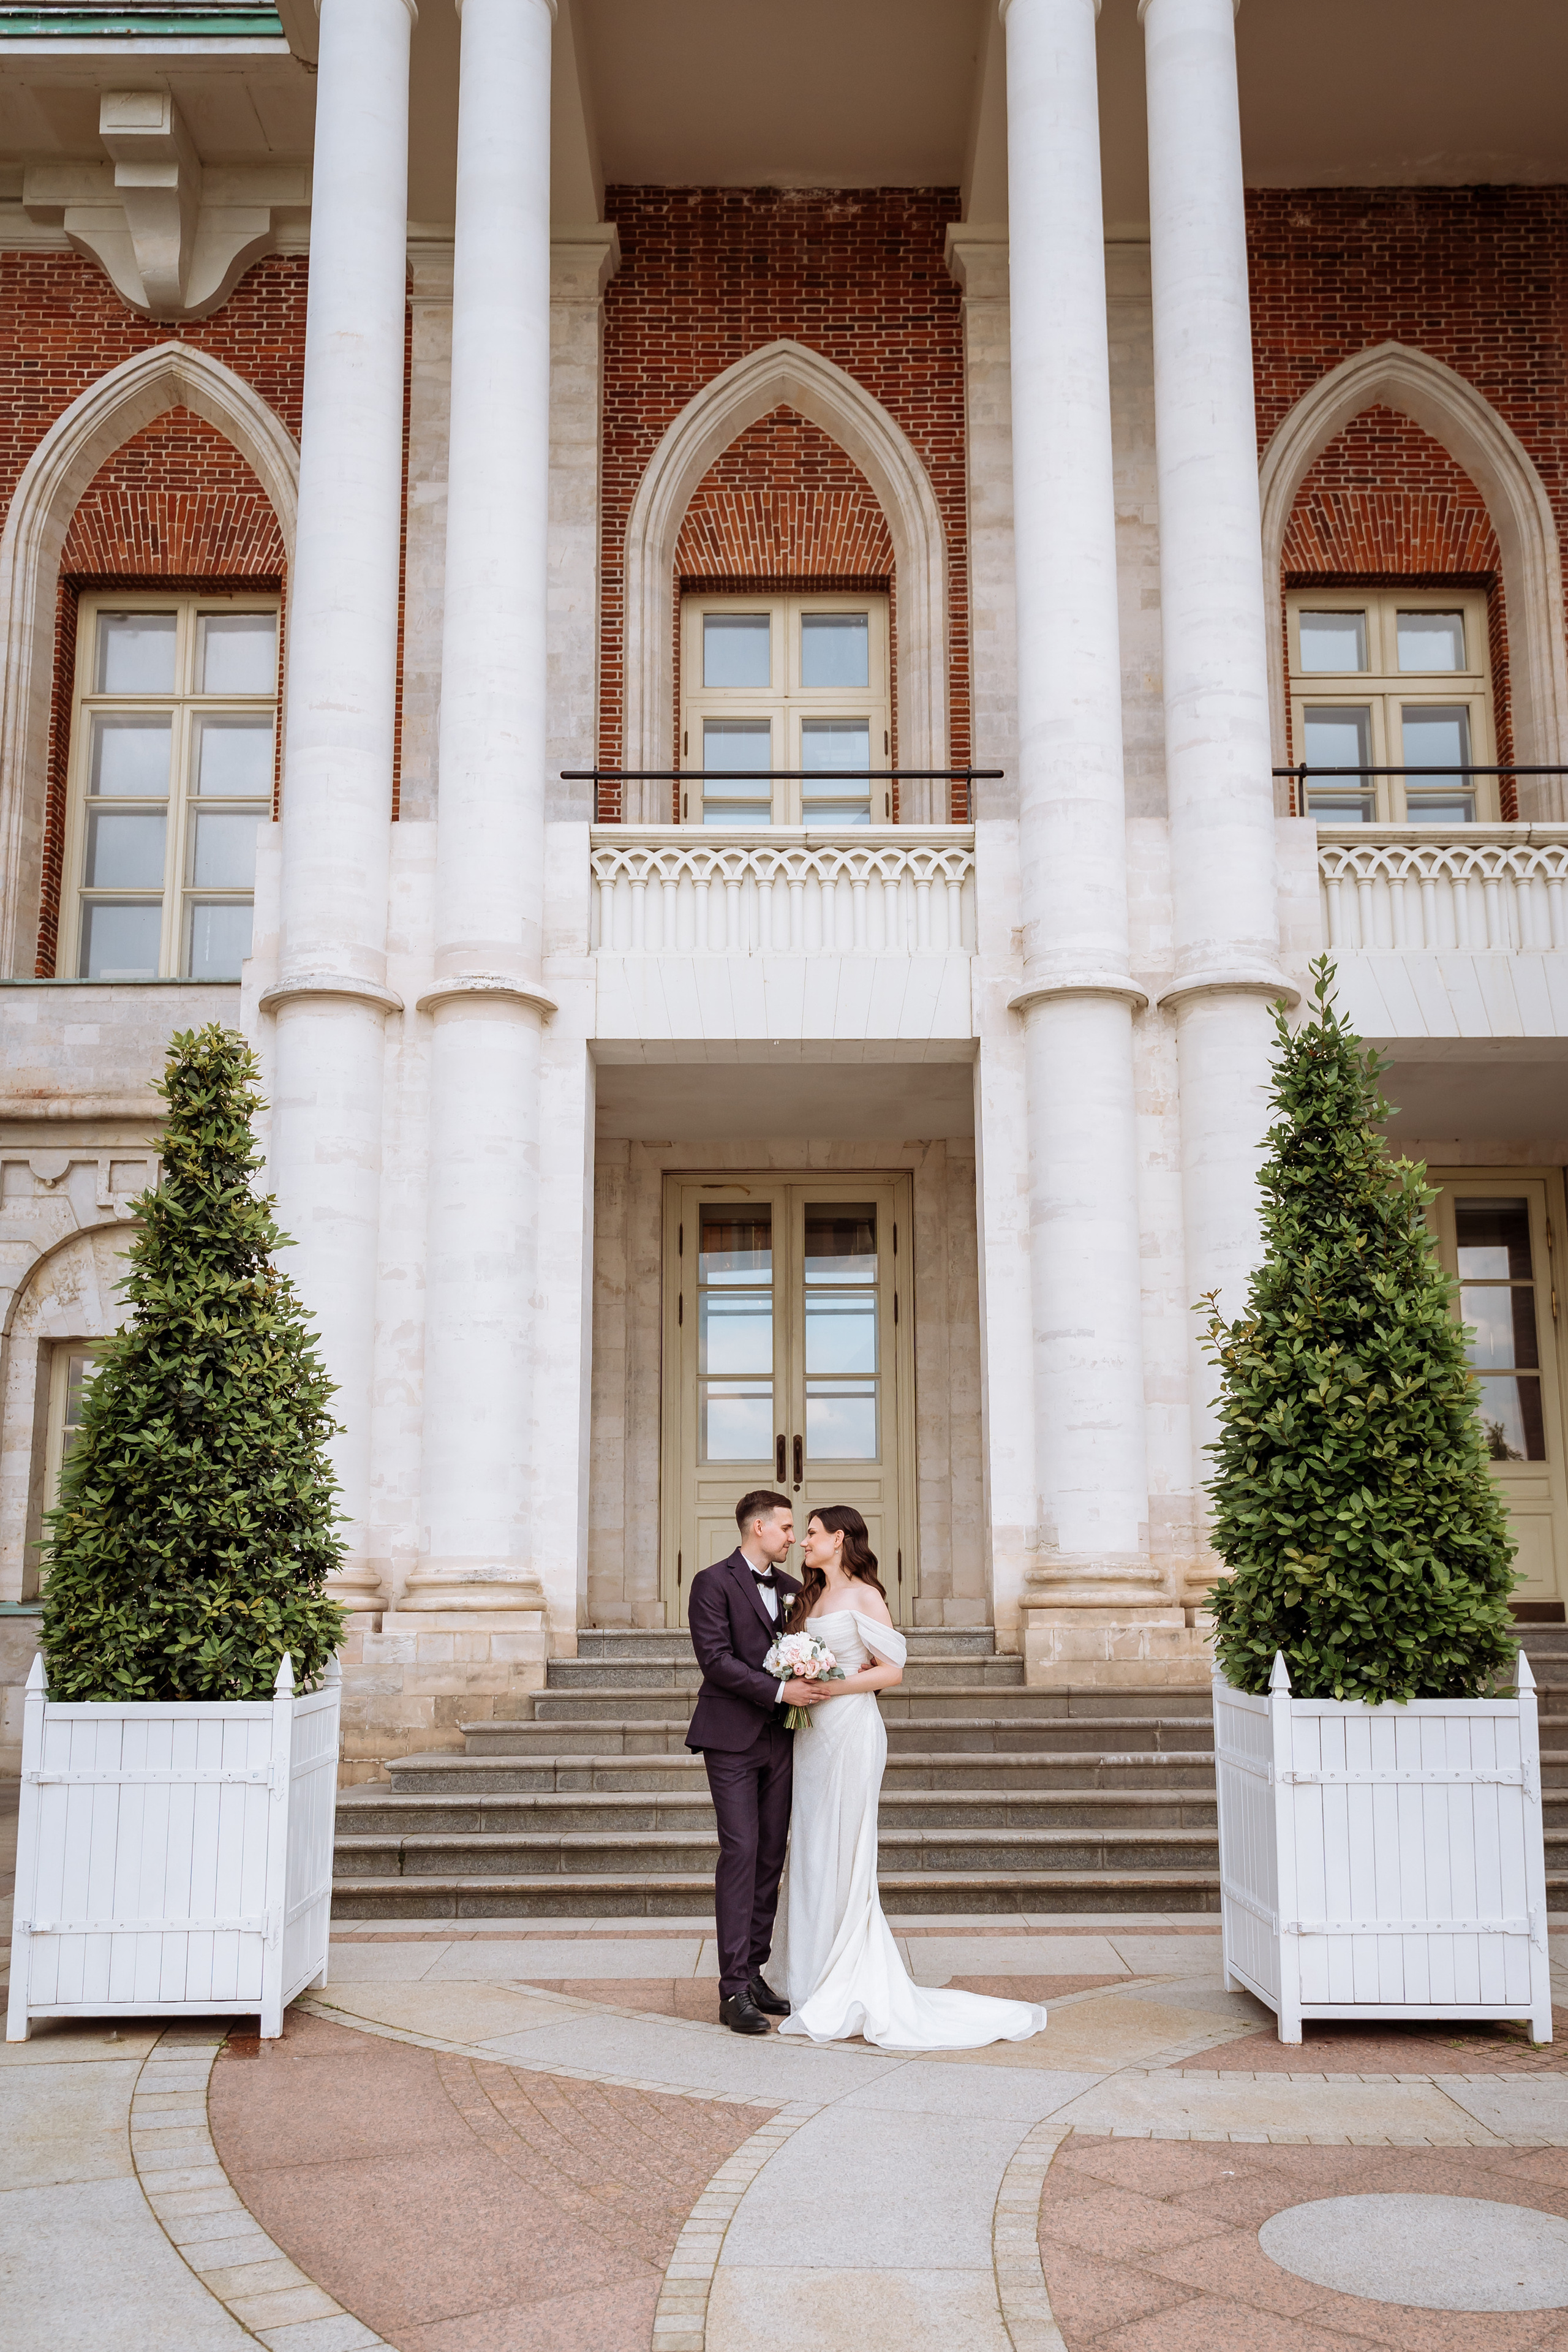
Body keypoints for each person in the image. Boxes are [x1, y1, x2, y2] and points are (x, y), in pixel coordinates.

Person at [772, 1504, 1049, 2052]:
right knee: (808, 1848)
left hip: (851, 1730)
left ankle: (845, 1975)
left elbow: (892, 1671)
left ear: (839, 1538)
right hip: (811, 1736)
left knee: (846, 1849)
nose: (805, 1543)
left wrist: (828, 1682)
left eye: (812, 1534)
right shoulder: (809, 1596)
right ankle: (806, 1975)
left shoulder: (865, 1595)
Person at [684, 1490, 823, 2035]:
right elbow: (715, 1660)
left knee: (770, 1855)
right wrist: (779, 1693)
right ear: (758, 1527)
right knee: (740, 1851)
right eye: (787, 1528)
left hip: (785, 1740)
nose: (793, 1537)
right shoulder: (711, 1582)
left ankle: (756, 1971)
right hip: (732, 1737)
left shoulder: (795, 1591)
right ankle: (732, 1989)